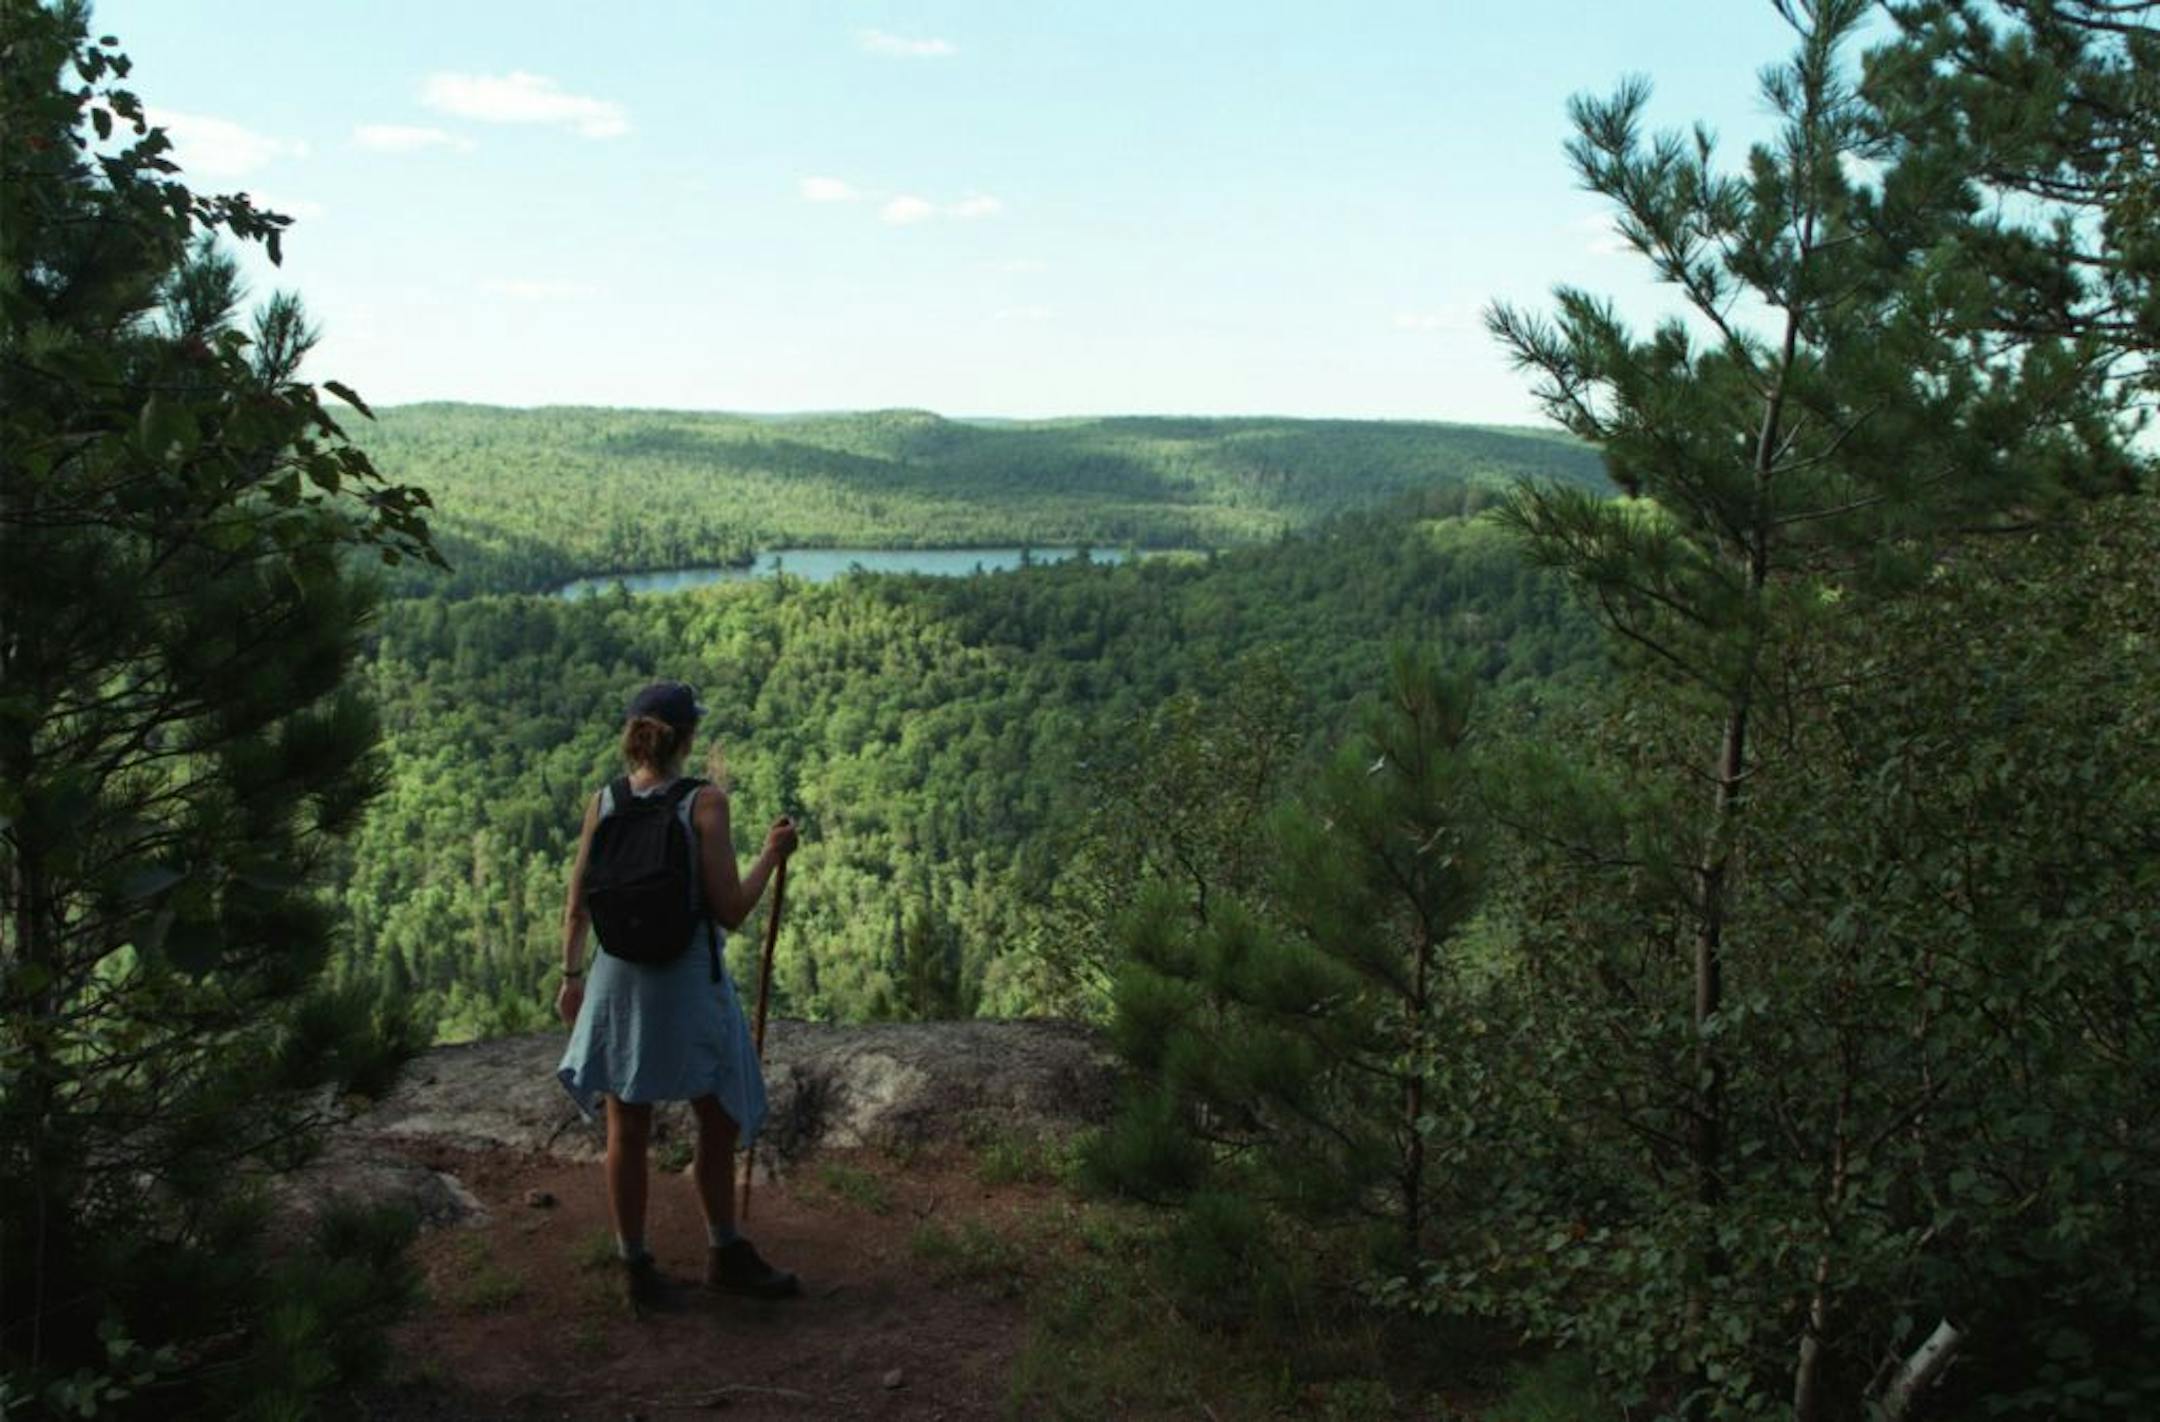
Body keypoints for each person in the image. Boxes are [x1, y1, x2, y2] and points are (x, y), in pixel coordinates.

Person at [555, 679, 800, 1312]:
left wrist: (571, 977)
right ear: (686, 738)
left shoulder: (605, 802)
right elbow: (730, 911)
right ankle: (725, 1251)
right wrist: (772, 856)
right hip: (686, 977)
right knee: (716, 1113)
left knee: (626, 1125)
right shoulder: (705, 804)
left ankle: (635, 1267)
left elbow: (578, 902)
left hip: (617, 979)